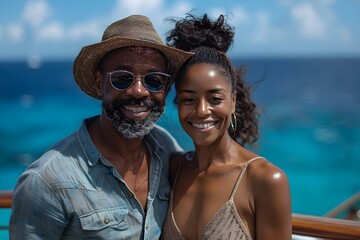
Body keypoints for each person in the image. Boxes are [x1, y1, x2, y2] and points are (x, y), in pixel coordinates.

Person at [9, 15, 192, 239]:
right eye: (123, 78)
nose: (139, 91)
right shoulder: (46, 182)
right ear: (98, 82)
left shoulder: (166, 148)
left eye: (154, 80)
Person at [161, 14, 292, 239]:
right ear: (177, 104)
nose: (202, 110)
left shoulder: (264, 180)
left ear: (233, 101)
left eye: (215, 99)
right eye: (189, 99)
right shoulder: (174, 168)